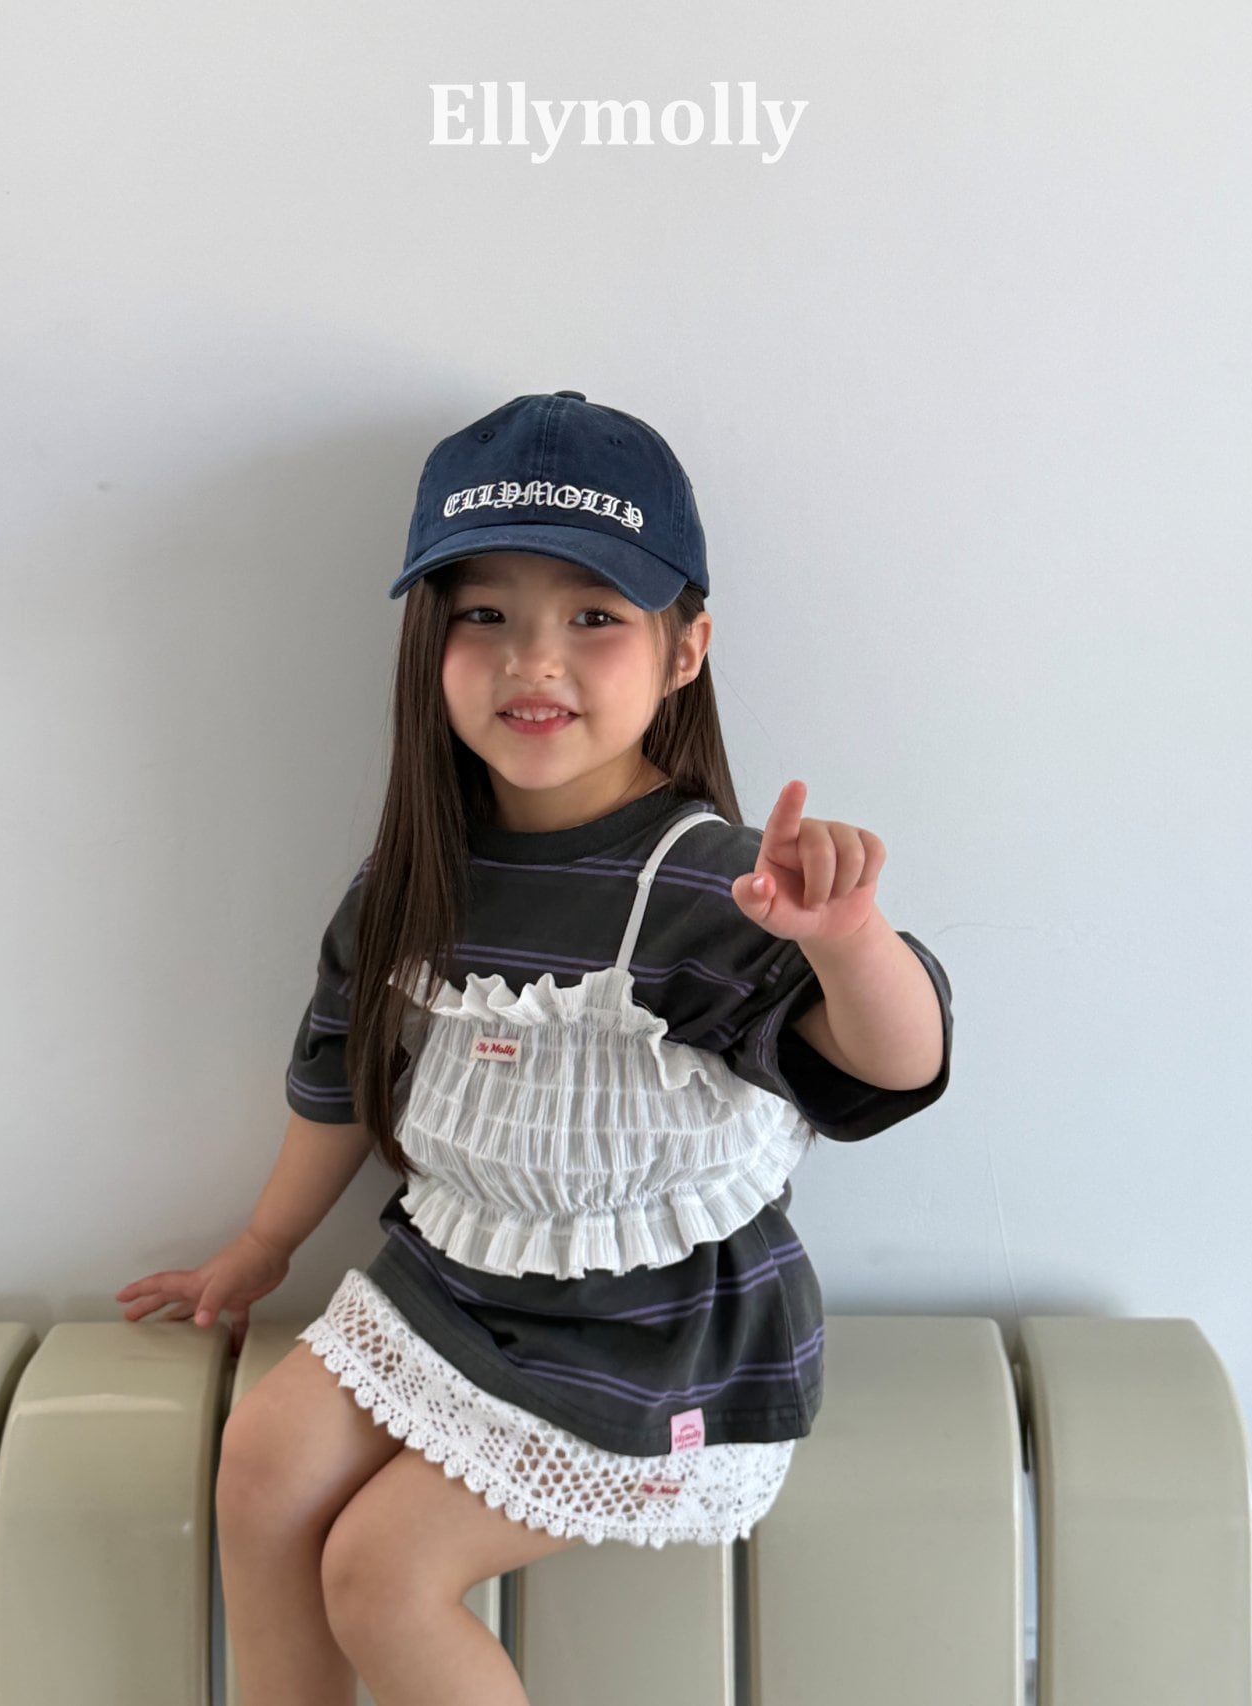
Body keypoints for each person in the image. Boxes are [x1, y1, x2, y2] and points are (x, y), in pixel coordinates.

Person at [115, 390, 953, 1706]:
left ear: (686, 649)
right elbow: (340, 1075)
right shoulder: (413, 879)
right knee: (262, 1467)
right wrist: (266, 1242)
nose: (533, 661)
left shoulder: (718, 883)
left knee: (381, 1572)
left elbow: (890, 1070)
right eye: (485, 616)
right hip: (458, 1282)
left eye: (594, 616)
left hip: (657, 1334)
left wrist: (847, 939)